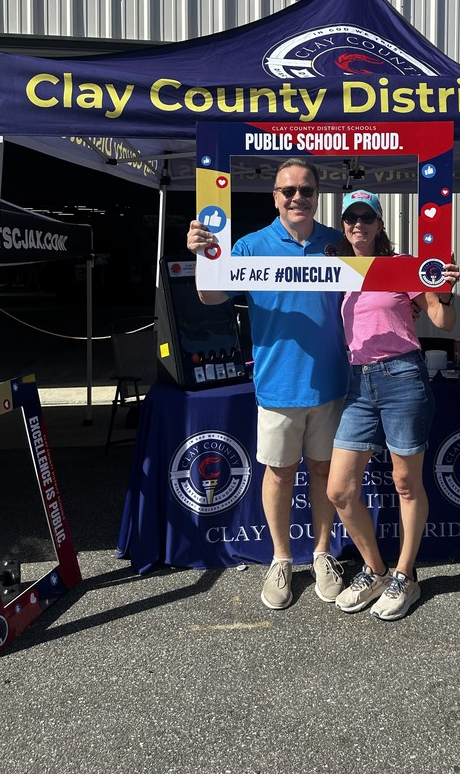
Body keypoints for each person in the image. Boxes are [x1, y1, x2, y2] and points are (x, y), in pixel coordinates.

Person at [187, 159, 348, 610]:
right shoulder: (251, 246)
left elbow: (374, 285)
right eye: (288, 191)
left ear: (317, 195)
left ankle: (321, 553)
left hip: (332, 382)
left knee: (324, 472)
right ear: (274, 196)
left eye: (306, 190)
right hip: (278, 384)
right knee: (279, 474)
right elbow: (210, 295)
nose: (297, 198)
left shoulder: (336, 243)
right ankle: (281, 559)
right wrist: (201, 254)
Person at [326, 188, 460, 621]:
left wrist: (445, 291)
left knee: (406, 483)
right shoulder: (338, 269)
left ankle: (406, 575)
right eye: (351, 218)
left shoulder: (402, 266)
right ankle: (377, 570)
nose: (358, 225)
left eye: (367, 217)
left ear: (380, 223)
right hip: (357, 381)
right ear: (343, 225)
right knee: (339, 490)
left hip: (402, 375)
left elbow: (442, 320)